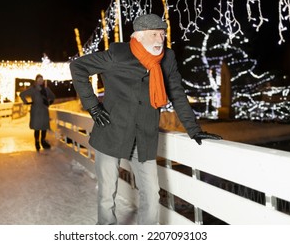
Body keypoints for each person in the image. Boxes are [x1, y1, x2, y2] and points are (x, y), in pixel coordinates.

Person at [69, 13, 222, 225]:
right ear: (139, 37)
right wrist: (93, 106)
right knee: (107, 194)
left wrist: (193, 129)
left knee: (151, 194)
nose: (160, 39)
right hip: (111, 132)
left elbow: (177, 93)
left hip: (144, 136)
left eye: (162, 34)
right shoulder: (116, 56)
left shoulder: (167, 59)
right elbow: (78, 67)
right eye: (154, 35)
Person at [20, 74, 56, 152]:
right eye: (39, 80)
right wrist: (27, 102)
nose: (40, 81)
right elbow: (22, 94)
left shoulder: (46, 89)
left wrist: (49, 103)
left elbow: (53, 96)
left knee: (44, 127)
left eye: (41, 80)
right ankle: (37, 142)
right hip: (36, 111)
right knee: (37, 128)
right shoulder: (33, 89)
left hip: (44, 111)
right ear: (36, 80)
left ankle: (43, 141)